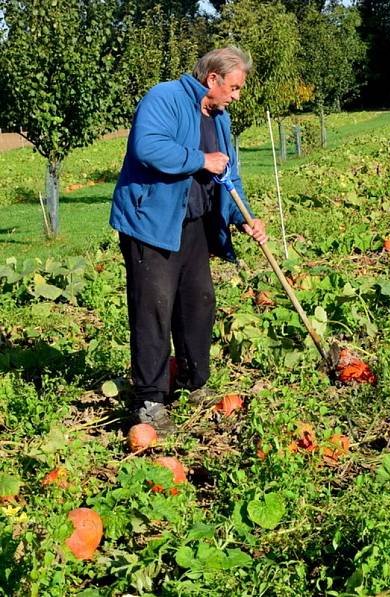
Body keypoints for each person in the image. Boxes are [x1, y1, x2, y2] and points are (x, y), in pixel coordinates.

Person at [110, 47, 267, 434]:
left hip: (193, 224)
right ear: (212, 79)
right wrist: (199, 159)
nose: (236, 95)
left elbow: (228, 174)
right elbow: (147, 147)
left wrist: (243, 216)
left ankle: (193, 383)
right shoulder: (163, 97)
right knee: (154, 310)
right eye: (233, 87)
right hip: (151, 223)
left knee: (199, 303)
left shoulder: (220, 118)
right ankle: (149, 400)